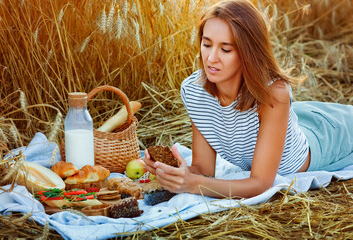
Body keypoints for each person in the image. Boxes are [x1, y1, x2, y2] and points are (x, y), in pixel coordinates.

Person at [143, 0, 353, 198]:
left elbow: (260, 183)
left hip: (328, 141)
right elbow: (203, 171)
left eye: (225, 49)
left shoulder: (273, 94)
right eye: (207, 44)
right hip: (291, 120)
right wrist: (171, 172)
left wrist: (192, 184)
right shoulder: (195, 91)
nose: (211, 58)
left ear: (248, 52)